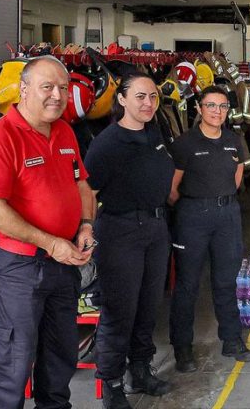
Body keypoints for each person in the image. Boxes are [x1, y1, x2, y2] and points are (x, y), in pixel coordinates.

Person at [0, 56, 95, 408]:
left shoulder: (65, 131)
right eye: (47, 87)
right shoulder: (0, 137)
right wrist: (50, 242)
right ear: (23, 90)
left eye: (62, 87)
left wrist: (85, 225)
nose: (57, 95)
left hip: (63, 265)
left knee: (59, 360)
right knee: (13, 362)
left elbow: (83, 185)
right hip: (20, 270)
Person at [83, 73, 175, 408]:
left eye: (152, 97)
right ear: (121, 99)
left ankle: (140, 371)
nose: (148, 103)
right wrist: (86, 229)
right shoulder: (107, 143)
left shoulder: (155, 132)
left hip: (155, 227)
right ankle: (111, 384)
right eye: (139, 97)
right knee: (120, 310)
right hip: (121, 231)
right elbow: (88, 192)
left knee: (149, 306)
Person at [169, 86, 250, 373]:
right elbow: (172, 189)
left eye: (222, 106)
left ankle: (231, 339)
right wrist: (194, 205)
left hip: (227, 214)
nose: (217, 112)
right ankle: (182, 347)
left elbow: (237, 175)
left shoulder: (234, 140)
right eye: (210, 106)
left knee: (225, 281)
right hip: (193, 214)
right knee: (188, 284)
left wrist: (223, 200)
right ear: (198, 109)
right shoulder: (184, 143)